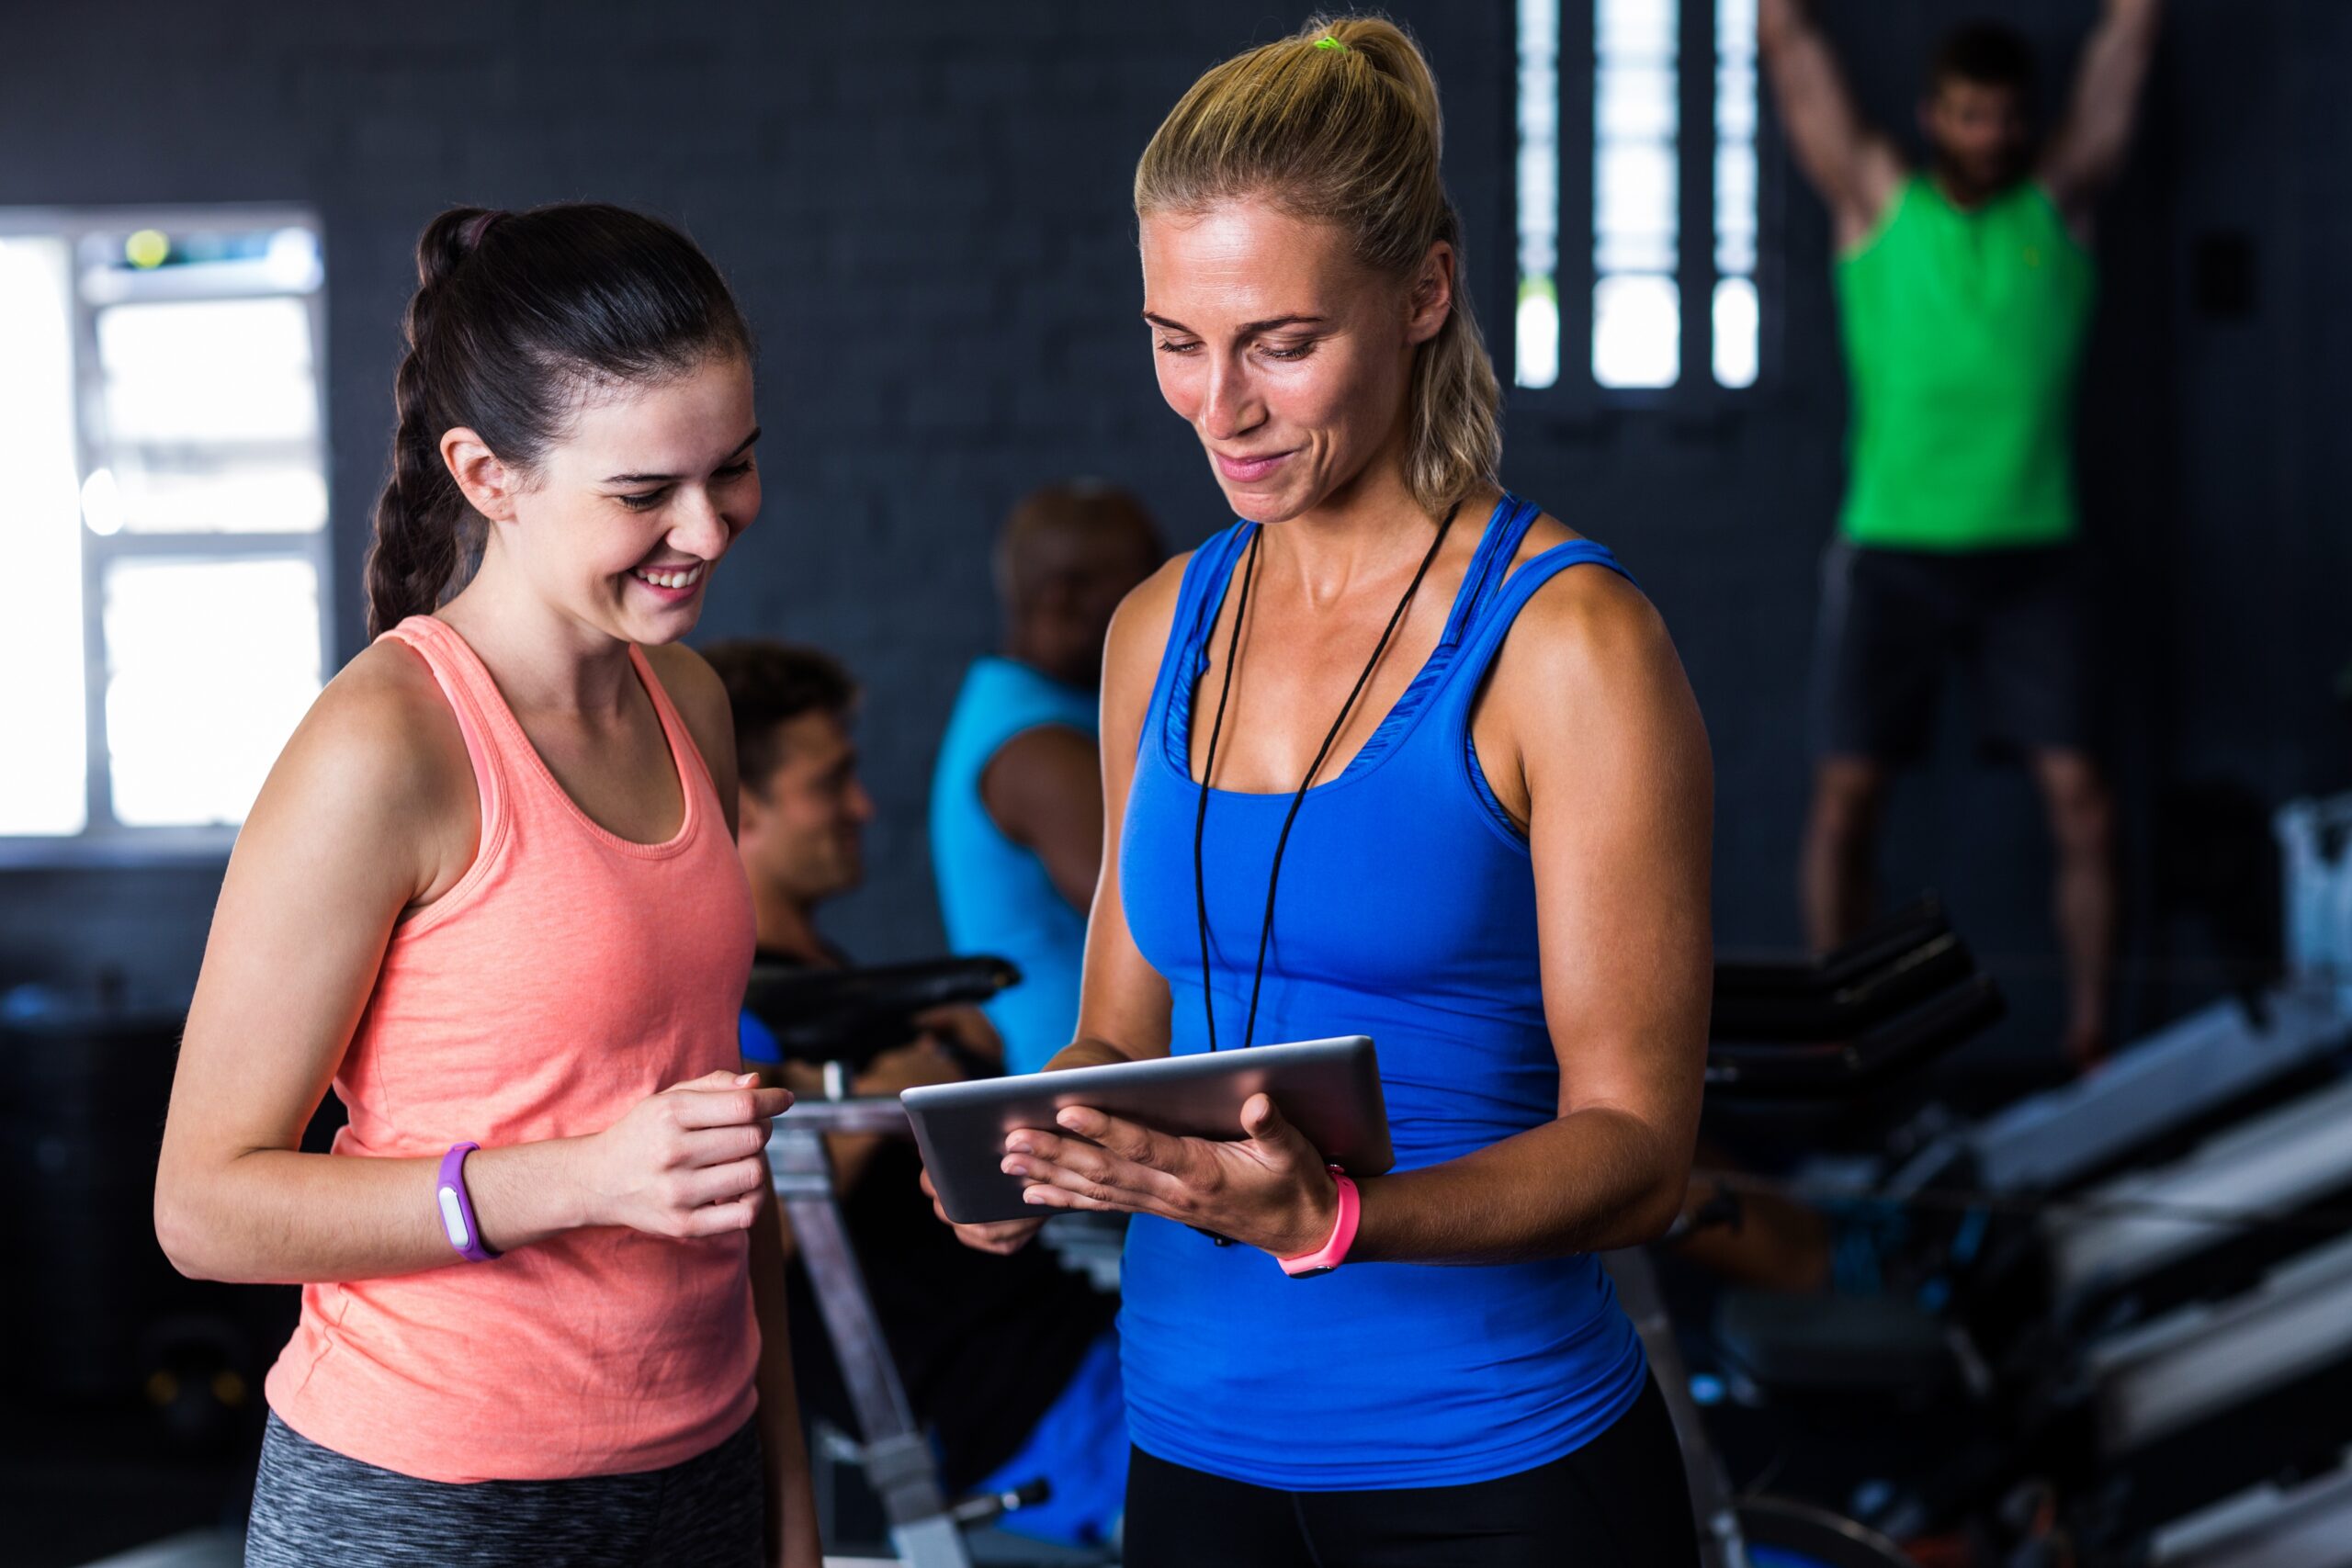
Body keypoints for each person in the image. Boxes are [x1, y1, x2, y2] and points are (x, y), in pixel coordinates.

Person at [926, 17, 1713, 1566]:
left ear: (1424, 290)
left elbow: (1637, 1143)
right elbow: (1118, 1029)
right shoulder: (1160, 624)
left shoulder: (1568, 644)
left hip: (1496, 1470)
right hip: (1195, 1454)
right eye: (1175, 339)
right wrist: (1031, 1146)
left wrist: (1339, 1220)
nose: (1220, 406)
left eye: (1282, 341)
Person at [153, 204, 820, 1568]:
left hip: (699, 1463)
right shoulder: (384, 743)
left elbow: (704, 1169)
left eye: (734, 467)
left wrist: (784, 1499)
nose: (708, 526)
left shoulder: (690, 701)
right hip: (427, 1497)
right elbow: (204, 1206)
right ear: (487, 471)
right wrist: (578, 1178)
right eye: (644, 493)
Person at [1763, 0, 2163, 1070]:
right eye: (1968, 114)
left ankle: (2086, 1038)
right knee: (1844, 798)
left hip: (2035, 555)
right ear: (1933, 114)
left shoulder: (2058, 206)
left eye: (2004, 118)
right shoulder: (1876, 205)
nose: (1988, 134)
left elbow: (2128, 41)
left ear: (2026, 122)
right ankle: (1844, 1030)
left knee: (2083, 800)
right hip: (1890, 549)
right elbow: (1789, 45)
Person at [708, 639, 1128, 1549]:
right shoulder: (733, 1014)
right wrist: (879, 1101)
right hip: (1021, 1411)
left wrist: (954, 1076)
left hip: (1084, 1339)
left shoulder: (829, 990)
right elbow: (717, 1246)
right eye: (832, 783)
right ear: (745, 812)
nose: (863, 806)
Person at [932, 482, 1163, 1075]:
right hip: (1081, 1085)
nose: (1168, 602)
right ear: (1063, 600)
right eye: (1144, 582)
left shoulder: (1039, 708)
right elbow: (1151, 919)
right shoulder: (1042, 747)